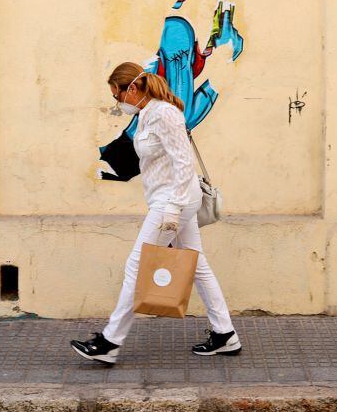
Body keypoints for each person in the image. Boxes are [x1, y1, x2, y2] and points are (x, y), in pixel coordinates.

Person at [71, 62, 240, 363]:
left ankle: (110, 341)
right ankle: (225, 334)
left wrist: (173, 208)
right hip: (168, 201)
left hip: (172, 203)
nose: (118, 103)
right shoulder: (148, 114)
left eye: (117, 96)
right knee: (197, 264)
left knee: (137, 266)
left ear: (131, 89)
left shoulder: (164, 114)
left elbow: (184, 163)